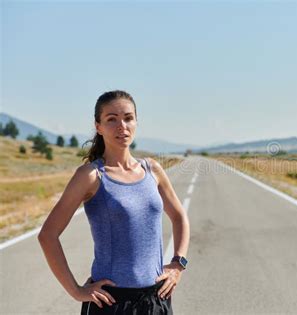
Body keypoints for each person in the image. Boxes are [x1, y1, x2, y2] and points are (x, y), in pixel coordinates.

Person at [38, 90, 190, 314]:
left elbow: (179, 217)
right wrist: (77, 291)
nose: (122, 126)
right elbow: (47, 235)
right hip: (111, 303)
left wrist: (178, 264)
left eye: (128, 118)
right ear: (98, 126)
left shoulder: (152, 169)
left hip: (156, 299)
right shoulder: (90, 176)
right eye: (111, 119)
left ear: (136, 122)